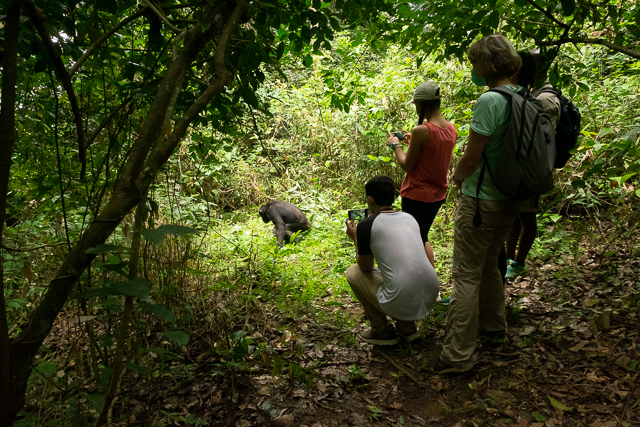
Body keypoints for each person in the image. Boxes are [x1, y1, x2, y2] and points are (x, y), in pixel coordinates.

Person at [434, 34, 522, 372]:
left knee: (466, 275)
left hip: (481, 199)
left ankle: (457, 354)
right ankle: (493, 326)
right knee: (489, 264)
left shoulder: (491, 100)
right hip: (509, 199)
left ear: (484, 66)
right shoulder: (521, 97)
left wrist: (457, 178)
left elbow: (472, 156)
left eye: (474, 64)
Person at [345, 175, 439, 345]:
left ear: (370, 199)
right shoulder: (410, 218)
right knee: (395, 274)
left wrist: (356, 238)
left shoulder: (366, 224)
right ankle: (407, 329)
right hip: (430, 294)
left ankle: (380, 331)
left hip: (401, 297)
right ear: (394, 198)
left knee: (353, 272)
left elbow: (365, 267)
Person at [386, 81, 458, 267]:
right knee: (422, 235)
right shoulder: (450, 129)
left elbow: (407, 165)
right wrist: (413, 143)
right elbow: (432, 155)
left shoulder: (421, 130)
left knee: (414, 239)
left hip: (417, 195)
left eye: (416, 104)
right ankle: (430, 281)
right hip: (437, 194)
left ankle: (421, 281)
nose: (416, 107)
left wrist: (396, 145)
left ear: (422, 104)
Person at [504, 51, 561, 280]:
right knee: (516, 215)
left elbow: (538, 137)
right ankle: (510, 259)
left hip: (531, 168)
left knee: (527, 216)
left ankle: (518, 262)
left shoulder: (544, 98)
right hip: (523, 168)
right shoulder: (534, 93)